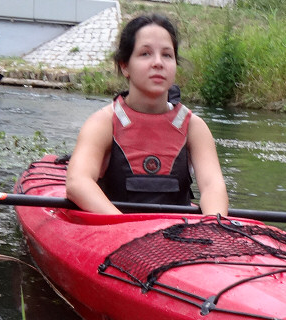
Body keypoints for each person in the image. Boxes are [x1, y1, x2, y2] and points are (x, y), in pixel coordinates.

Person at [65, 14, 228, 217]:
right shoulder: (103, 123)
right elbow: (77, 182)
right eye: (145, 54)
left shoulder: (194, 127)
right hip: (115, 231)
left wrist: (213, 225)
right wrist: (124, 226)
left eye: (167, 55)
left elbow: (213, 185)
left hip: (177, 237)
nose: (158, 63)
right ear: (125, 66)